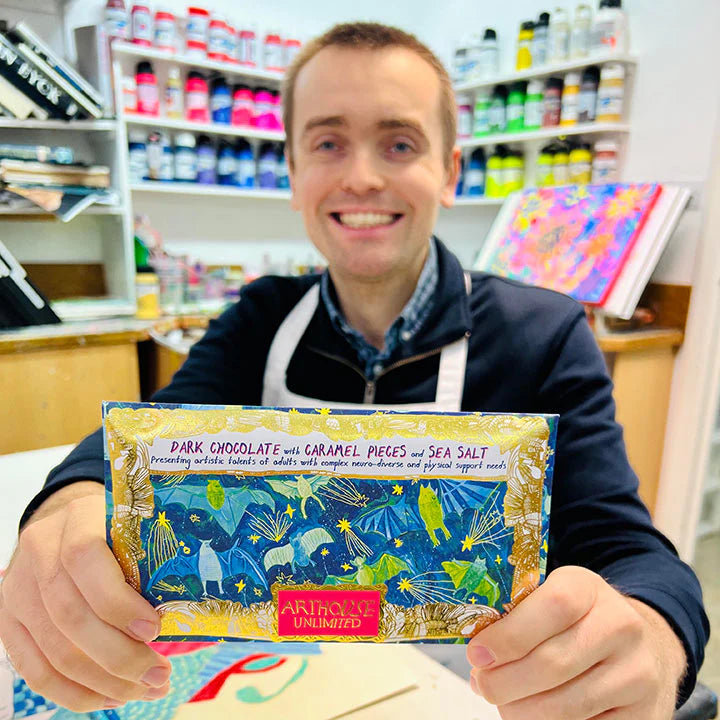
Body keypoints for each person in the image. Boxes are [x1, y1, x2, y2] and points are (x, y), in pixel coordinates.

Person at [0, 21, 708, 718]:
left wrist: (649, 638)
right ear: (293, 171)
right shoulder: (259, 319)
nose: (362, 177)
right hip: (291, 682)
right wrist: (68, 507)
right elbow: (147, 438)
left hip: (470, 692)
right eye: (328, 143)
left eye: (399, 144)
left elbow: (630, 551)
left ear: (449, 172)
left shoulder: (543, 333)